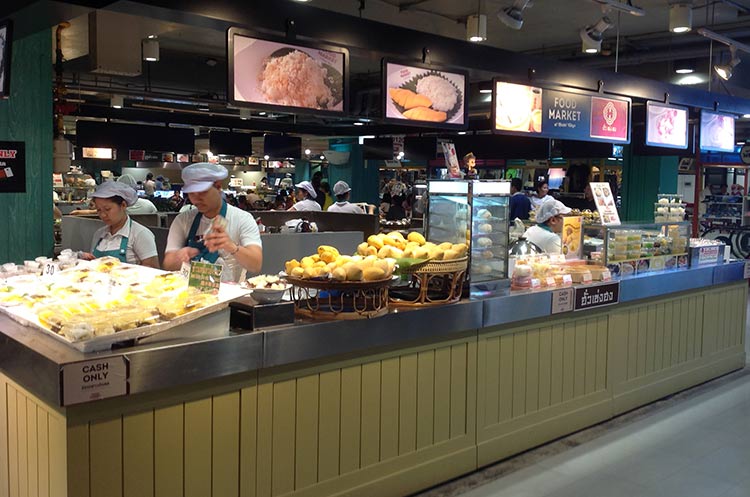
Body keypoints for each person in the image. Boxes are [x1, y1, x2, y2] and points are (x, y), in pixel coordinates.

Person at [163, 162, 263, 280]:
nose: (196, 199)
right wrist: (180, 256)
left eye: (202, 192)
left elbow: (256, 264)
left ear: (218, 186)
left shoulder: (242, 219)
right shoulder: (183, 220)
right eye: (191, 193)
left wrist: (231, 247)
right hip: (190, 293)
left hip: (232, 294)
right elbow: (167, 264)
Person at [78, 182, 159, 268]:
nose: (103, 215)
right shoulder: (99, 234)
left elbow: (153, 270)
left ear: (123, 205)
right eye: (99, 210)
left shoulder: (140, 234)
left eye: (107, 209)